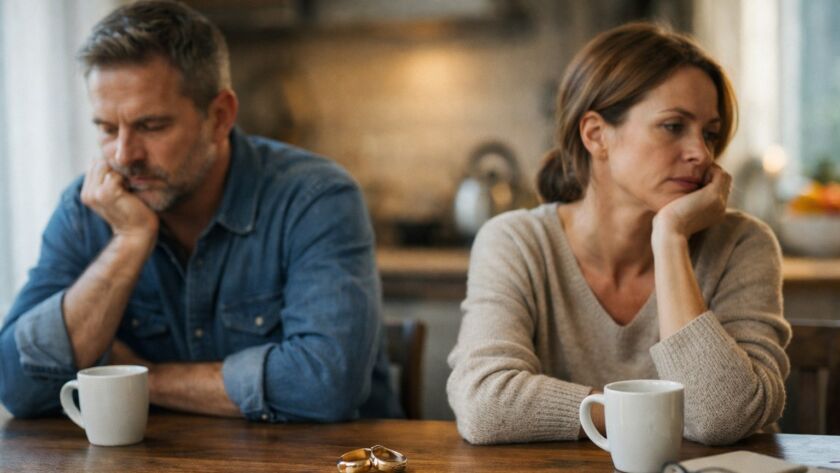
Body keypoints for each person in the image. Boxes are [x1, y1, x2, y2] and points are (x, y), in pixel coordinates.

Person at [0, 0, 401, 422]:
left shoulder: (315, 198)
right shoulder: (85, 209)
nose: (123, 154)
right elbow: (14, 386)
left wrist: (140, 378)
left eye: (151, 126)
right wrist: (129, 242)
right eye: (105, 128)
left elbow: (326, 384)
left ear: (220, 116)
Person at [447, 22, 790, 446]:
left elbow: (721, 417)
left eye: (710, 133)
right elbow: (485, 404)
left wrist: (669, 238)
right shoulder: (515, 242)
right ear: (596, 135)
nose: (700, 153)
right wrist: (653, 413)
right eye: (673, 126)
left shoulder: (743, 244)